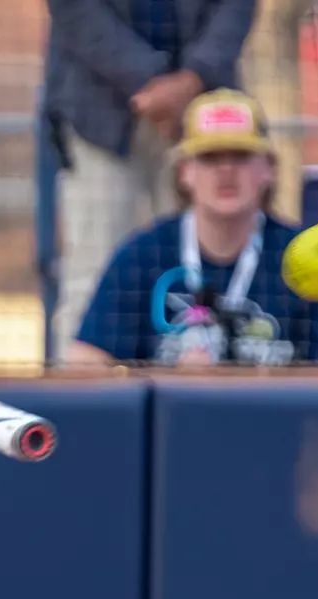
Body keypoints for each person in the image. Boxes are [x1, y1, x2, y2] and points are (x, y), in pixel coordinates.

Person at [71, 89, 318, 368]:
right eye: (210, 157)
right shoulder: (143, 255)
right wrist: (165, 384)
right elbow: (85, 363)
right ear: (184, 172)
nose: (226, 170)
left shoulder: (301, 256)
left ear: (268, 170)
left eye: (241, 156)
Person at [44, 0, 257, 360]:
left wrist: (192, 79)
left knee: (203, 267)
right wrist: (149, 79)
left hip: (204, 115)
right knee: (91, 275)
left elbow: (236, 8)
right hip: (99, 110)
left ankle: (212, 398)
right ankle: (84, 407)